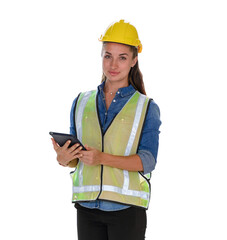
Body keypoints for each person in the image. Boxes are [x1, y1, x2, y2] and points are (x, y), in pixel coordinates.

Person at [51, 19, 161, 240]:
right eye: (108, 55)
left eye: (122, 58)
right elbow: (77, 158)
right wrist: (64, 158)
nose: (113, 65)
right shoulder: (81, 101)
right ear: (101, 56)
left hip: (127, 210)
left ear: (134, 60)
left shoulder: (146, 107)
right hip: (87, 208)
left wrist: (102, 158)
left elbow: (147, 161)